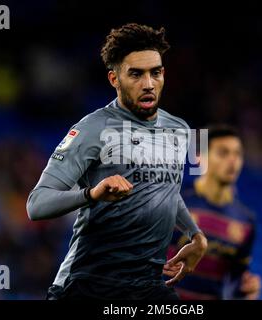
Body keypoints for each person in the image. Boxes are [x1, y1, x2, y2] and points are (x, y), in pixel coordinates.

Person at [26, 23, 207, 300]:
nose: (148, 84)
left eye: (155, 73)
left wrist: (195, 235)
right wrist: (92, 194)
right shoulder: (92, 129)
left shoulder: (179, 129)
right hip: (88, 283)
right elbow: (36, 205)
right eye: (136, 74)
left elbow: (165, 190)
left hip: (148, 284)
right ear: (114, 79)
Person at [167, 125, 262, 299]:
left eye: (238, 154)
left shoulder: (246, 221)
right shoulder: (173, 200)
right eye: (223, 153)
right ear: (200, 157)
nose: (233, 161)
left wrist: (248, 290)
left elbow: (236, 282)